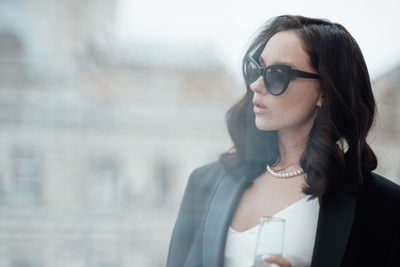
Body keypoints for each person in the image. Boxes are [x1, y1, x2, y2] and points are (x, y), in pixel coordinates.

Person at [166, 15, 400, 267]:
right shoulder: (205, 184)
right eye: (257, 69)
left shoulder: (381, 206)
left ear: (325, 91)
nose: (257, 85)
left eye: (277, 74)